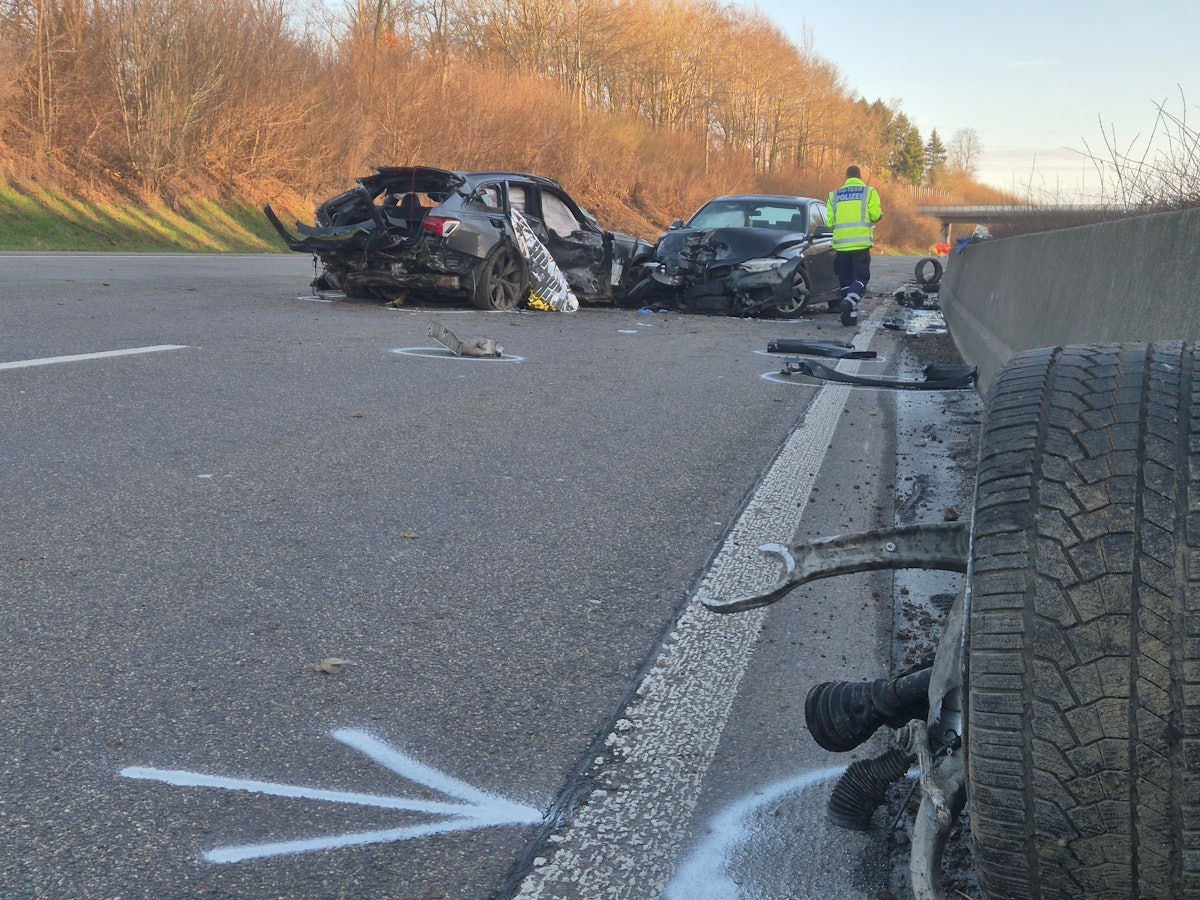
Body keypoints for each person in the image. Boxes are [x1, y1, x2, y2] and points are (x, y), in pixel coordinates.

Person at [827, 166, 883, 326]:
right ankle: (849, 302)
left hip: (841, 246)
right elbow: (875, 215)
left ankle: (849, 317)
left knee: (845, 280)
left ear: (846, 177)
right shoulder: (869, 192)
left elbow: (830, 222)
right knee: (861, 278)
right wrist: (880, 215)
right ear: (860, 177)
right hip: (860, 244)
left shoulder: (834, 195)